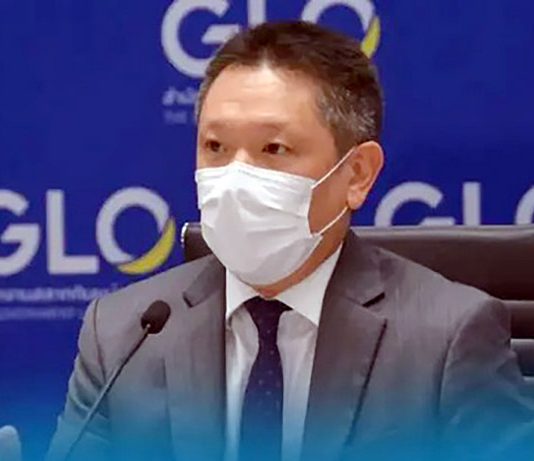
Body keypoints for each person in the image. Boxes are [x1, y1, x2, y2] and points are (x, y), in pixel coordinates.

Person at [47, 21, 534, 461]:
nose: (234, 177)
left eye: (273, 148)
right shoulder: (125, 334)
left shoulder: (447, 339)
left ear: (357, 175)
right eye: (215, 147)